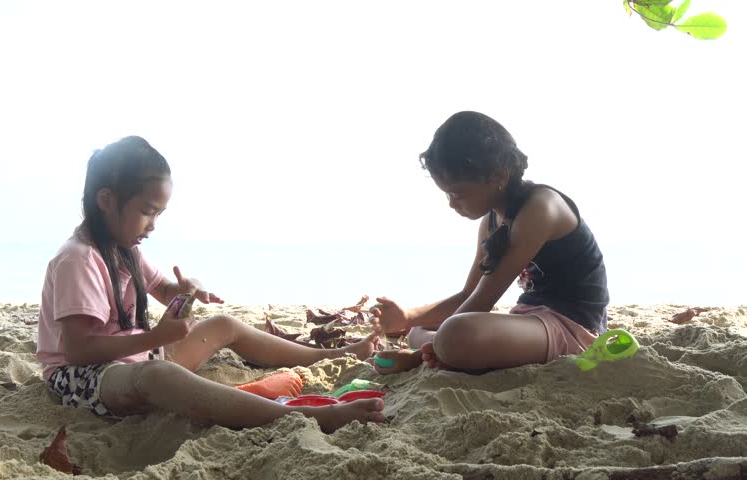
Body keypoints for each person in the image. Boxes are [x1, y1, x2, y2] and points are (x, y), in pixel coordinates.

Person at [36, 136, 384, 432]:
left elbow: (167, 292)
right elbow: (78, 350)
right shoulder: (78, 259)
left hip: (134, 357)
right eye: (147, 211)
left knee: (223, 324)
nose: (153, 224)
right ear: (107, 200)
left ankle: (330, 355)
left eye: (159, 213)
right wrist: (157, 337)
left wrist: (187, 290)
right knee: (157, 376)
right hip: (81, 378)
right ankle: (301, 414)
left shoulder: (124, 249)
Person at [373, 111, 609, 374]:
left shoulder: (540, 207)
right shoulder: (492, 220)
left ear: (499, 176)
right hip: (529, 318)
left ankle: (432, 351)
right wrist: (409, 316)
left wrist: (418, 354)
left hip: (573, 327)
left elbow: (483, 300)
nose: (452, 204)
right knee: (421, 330)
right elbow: (468, 295)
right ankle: (437, 347)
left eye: (458, 194)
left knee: (453, 333)